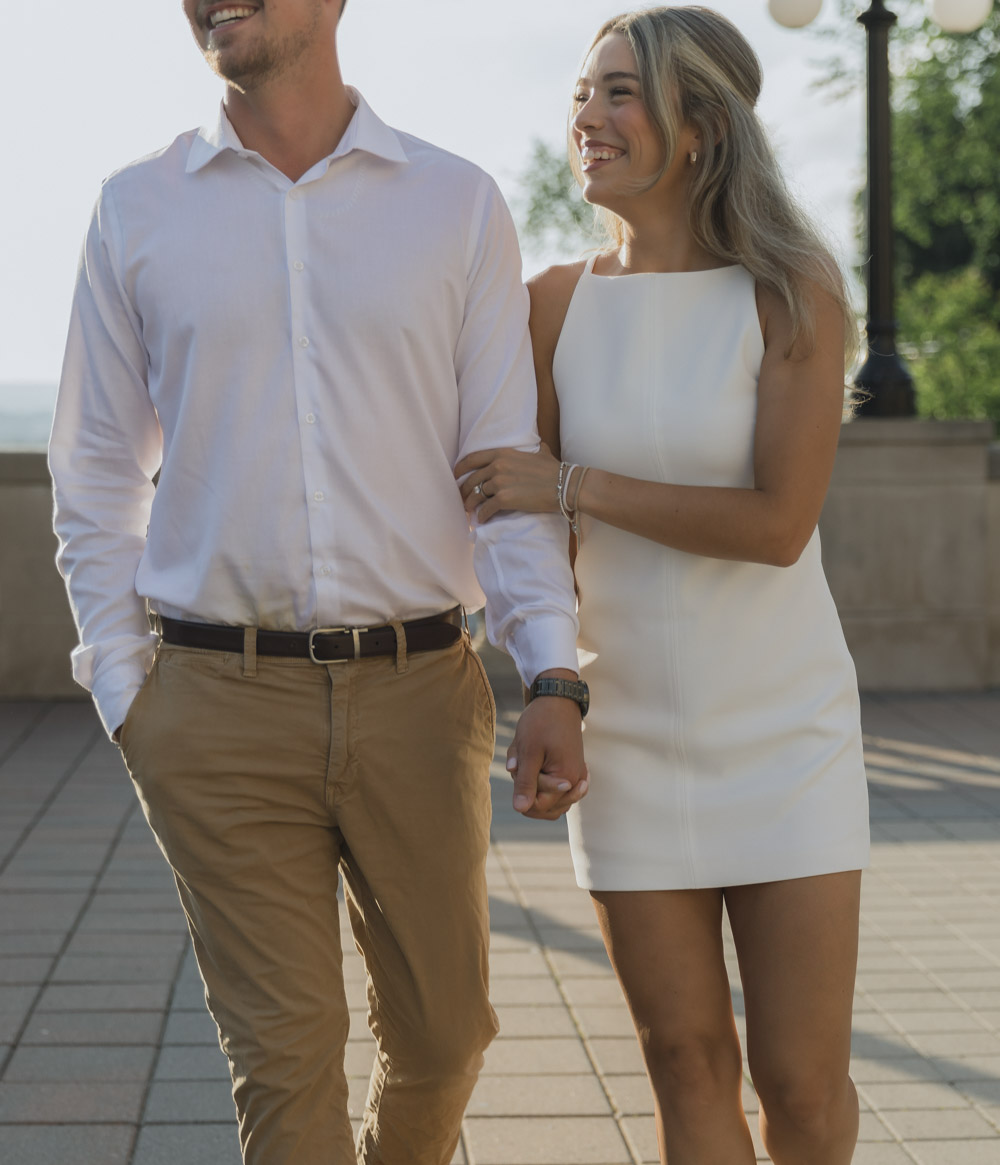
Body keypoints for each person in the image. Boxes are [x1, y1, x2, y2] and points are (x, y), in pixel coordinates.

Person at [48, 1, 590, 1162]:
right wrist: (126, 688)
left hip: (419, 689)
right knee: (285, 1055)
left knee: (446, 1036)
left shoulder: (453, 203)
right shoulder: (136, 206)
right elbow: (95, 466)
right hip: (213, 698)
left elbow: (498, 467)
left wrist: (552, 666)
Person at [457, 8, 870, 1164]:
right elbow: (523, 534)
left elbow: (777, 526)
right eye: (582, 92)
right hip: (625, 733)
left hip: (787, 733)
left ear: (699, 126)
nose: (588, 116)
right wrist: (545, 683)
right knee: (684, 1062)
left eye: (620, 93)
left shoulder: (790, 293)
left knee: (801, 1083)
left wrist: (571, 481)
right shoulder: (547, 305)